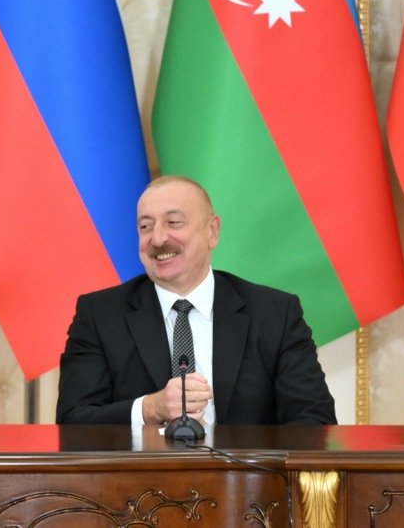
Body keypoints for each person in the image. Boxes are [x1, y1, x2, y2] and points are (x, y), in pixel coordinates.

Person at [56, 175, 335, 426]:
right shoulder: (100, 316)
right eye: (145, 226)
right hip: (136, 482)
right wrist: (149, 409)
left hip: (245, 480)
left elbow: (314, 419)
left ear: (212, 231)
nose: (158, 238)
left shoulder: (274, 314)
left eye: (174, 222)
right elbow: (72, 420)